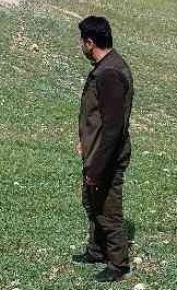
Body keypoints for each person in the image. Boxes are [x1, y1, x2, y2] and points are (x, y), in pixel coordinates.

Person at [73, 16, 134, 282]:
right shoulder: (108, 66)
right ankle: (97, 250)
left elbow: (112, 129)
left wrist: (97, 166)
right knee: (92, 201)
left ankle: (118, 264)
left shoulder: (109, 73)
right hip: (97, 151)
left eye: (82, 42)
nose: (81, 47)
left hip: (106, 155)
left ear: (90, 42)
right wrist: (85, 141)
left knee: (108, 210)